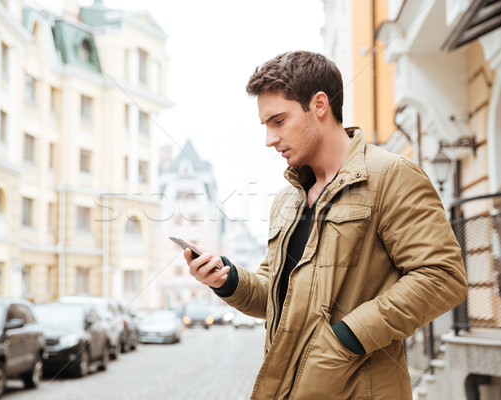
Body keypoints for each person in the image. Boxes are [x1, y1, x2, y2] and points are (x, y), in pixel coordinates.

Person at [183, 50, 468, 399]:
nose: (269, 140)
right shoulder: (286, 202)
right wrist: (226, 280)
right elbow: (274, 298)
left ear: (319, 105)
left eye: (278, 121)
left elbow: (443, 276)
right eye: (266, 126)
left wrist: (347, 337)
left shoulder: (392, 175)